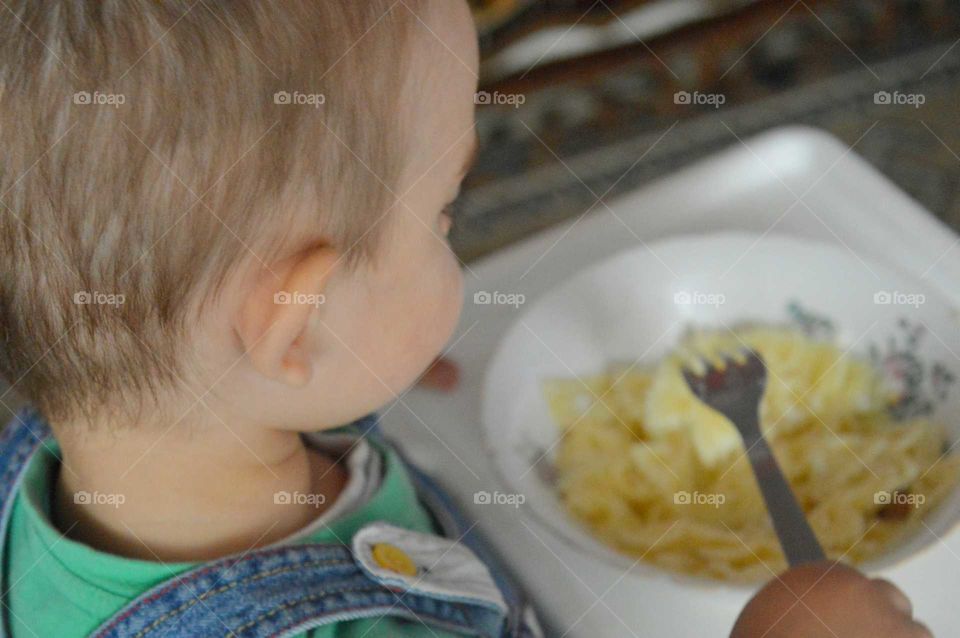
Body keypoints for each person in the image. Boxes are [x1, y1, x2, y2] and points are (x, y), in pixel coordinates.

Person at [0, 1, 931, 636]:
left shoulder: (114, 411)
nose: (451, 234)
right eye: (442, 214)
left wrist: (365, 354)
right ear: (300, 326)